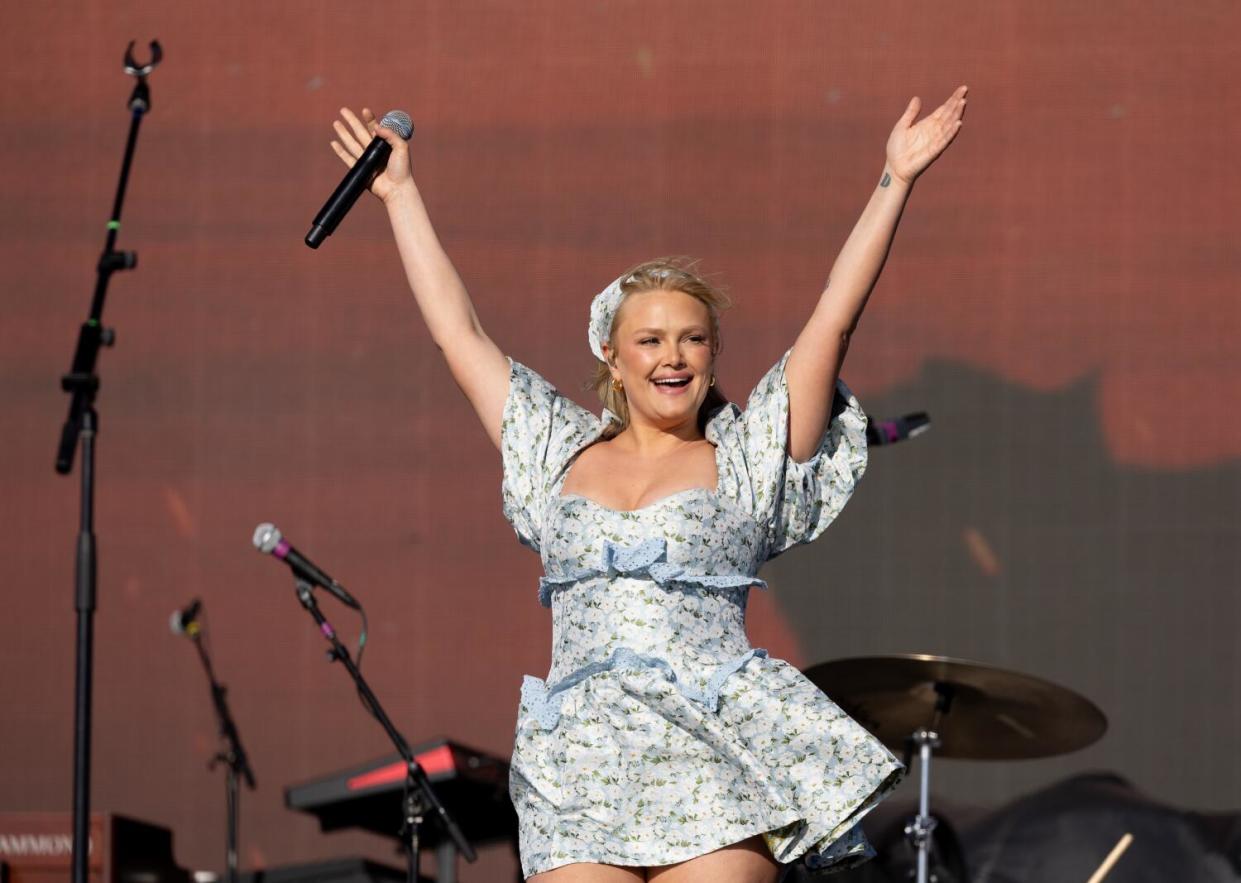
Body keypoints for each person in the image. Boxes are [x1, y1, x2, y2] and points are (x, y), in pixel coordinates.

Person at [327, 84, 967, 882]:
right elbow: (459, 334)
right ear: (612, 355)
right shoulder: (554, 446)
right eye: (652, 339)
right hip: (581, 758)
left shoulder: (748, 451)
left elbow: (834, 314)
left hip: (711, 749)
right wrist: (400, 196)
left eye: (693, 339)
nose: (674, 356)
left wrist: (893, 180)